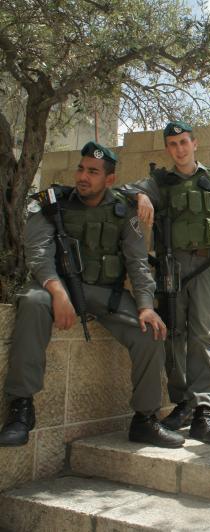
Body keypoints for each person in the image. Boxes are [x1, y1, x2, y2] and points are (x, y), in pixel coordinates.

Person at [0, 141, 184, 448]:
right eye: (81, 169)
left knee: (151, 332)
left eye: (93, 172)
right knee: (32, 301)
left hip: (106, 293)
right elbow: (38, 253)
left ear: (109, 179)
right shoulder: (53, 202)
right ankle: (21, 409)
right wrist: (57, 292)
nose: (83, 177)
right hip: (56, 286)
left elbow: (137, 263)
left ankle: (145, 420)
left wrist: (145, 306)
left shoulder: (123, 210)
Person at [124, 121, 210, 445]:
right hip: (171, 267)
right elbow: (123, 190)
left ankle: (204, 410)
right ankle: (184, 404)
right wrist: (142, 195)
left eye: (183, 142)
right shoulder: (160, 182)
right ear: (168, 148)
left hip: (205, 265)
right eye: (173, 144)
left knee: (202, 333)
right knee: (173, 335)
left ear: (194, 144)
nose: (179, 149)